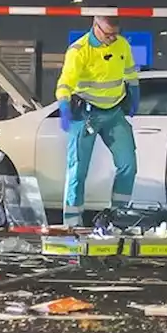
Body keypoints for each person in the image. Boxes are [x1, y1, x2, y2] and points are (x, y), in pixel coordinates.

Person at [56, 15, 139, 232]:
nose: (112, 39)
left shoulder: (122, 44)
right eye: (108, 34)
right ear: (95, 25)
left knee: (128, 165)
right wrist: (64, 106)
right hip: (86, 115)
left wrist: (134, 91)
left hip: (114, 113)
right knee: (77, 171)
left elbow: (130, 72)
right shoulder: (79, 50)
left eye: (115, 34)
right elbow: (65, 82)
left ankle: (119, 216)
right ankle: (72, 223)